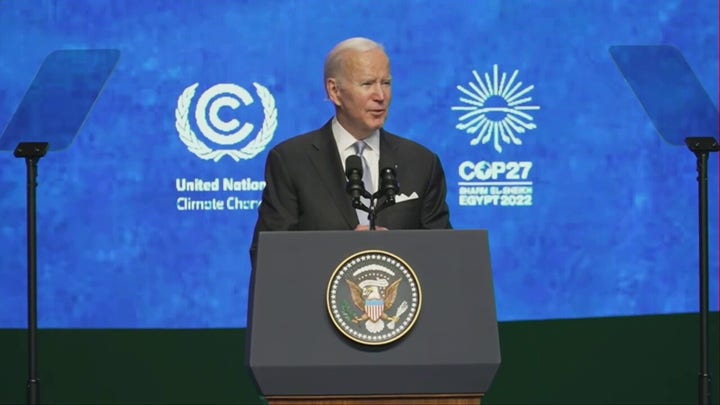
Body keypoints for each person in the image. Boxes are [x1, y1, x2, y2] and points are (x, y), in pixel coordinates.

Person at [250, 37, 451, 265]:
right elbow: (268, 256)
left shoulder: (421, 162)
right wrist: (344, 251)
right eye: (367, 84)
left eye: (386, 83)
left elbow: (443, 256)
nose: (380, 96)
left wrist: (397, 248)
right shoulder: (291, 161)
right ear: (335, 91)